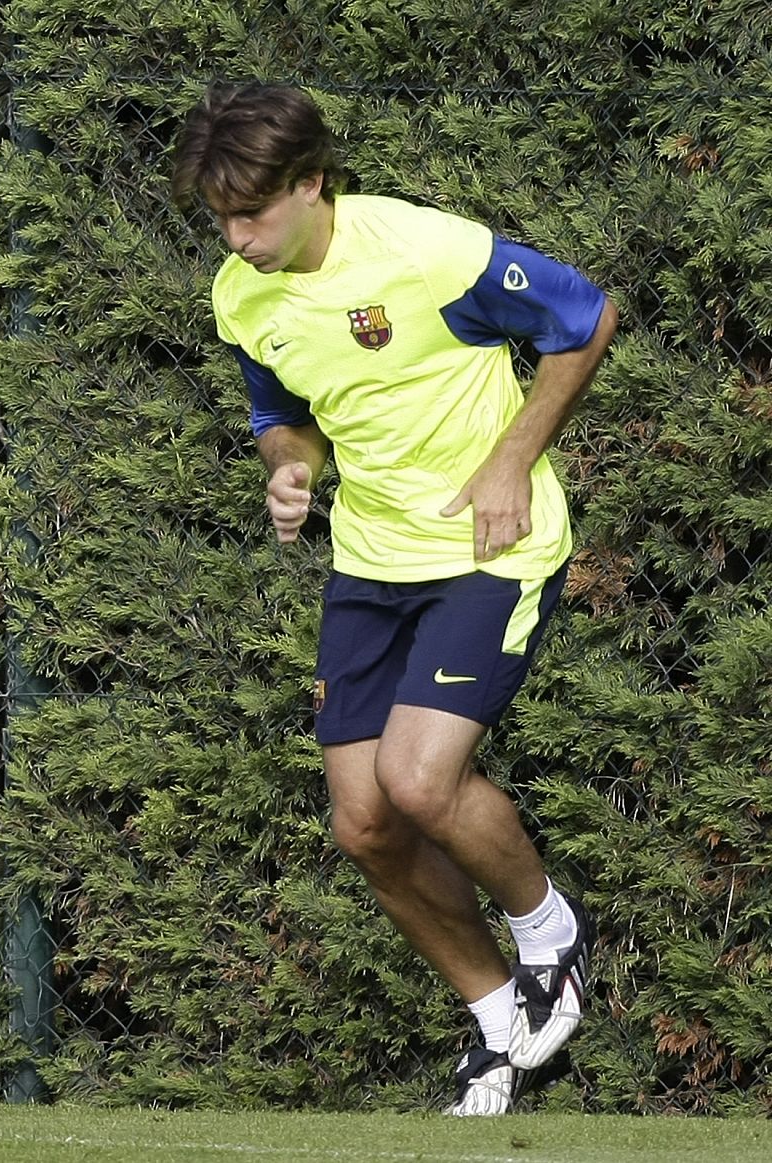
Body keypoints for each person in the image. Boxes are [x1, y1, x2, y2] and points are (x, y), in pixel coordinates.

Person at [173, 80, 617, 1116]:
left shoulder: (426, 252)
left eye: (253, 212)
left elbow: (584, 316)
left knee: (420, 782)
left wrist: (512, 461)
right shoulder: (242, 294)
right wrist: (290, 467)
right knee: (365, 823)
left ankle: (551, 929)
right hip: (370, 564)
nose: (236, 236)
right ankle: (500, 1022)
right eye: (220, 217)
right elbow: (282, 411)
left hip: (488, 549)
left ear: (312, 181)